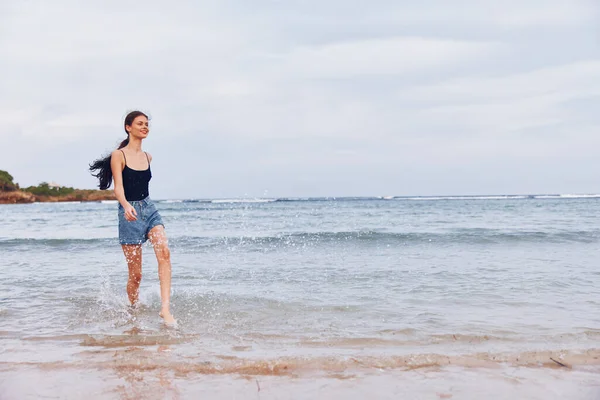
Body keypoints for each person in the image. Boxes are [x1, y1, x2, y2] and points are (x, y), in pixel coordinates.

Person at [89, 111, 176, 326]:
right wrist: (126, 206)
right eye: (140, 124)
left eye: (147, 124)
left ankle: (165, 309)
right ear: (128, 127)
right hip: (129, 214)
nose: (145, 127)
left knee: (164, 252)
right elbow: (118, 189)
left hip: (149, 208)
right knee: (136, 275)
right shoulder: (119, 155)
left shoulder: (148, 157)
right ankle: (133, 308)